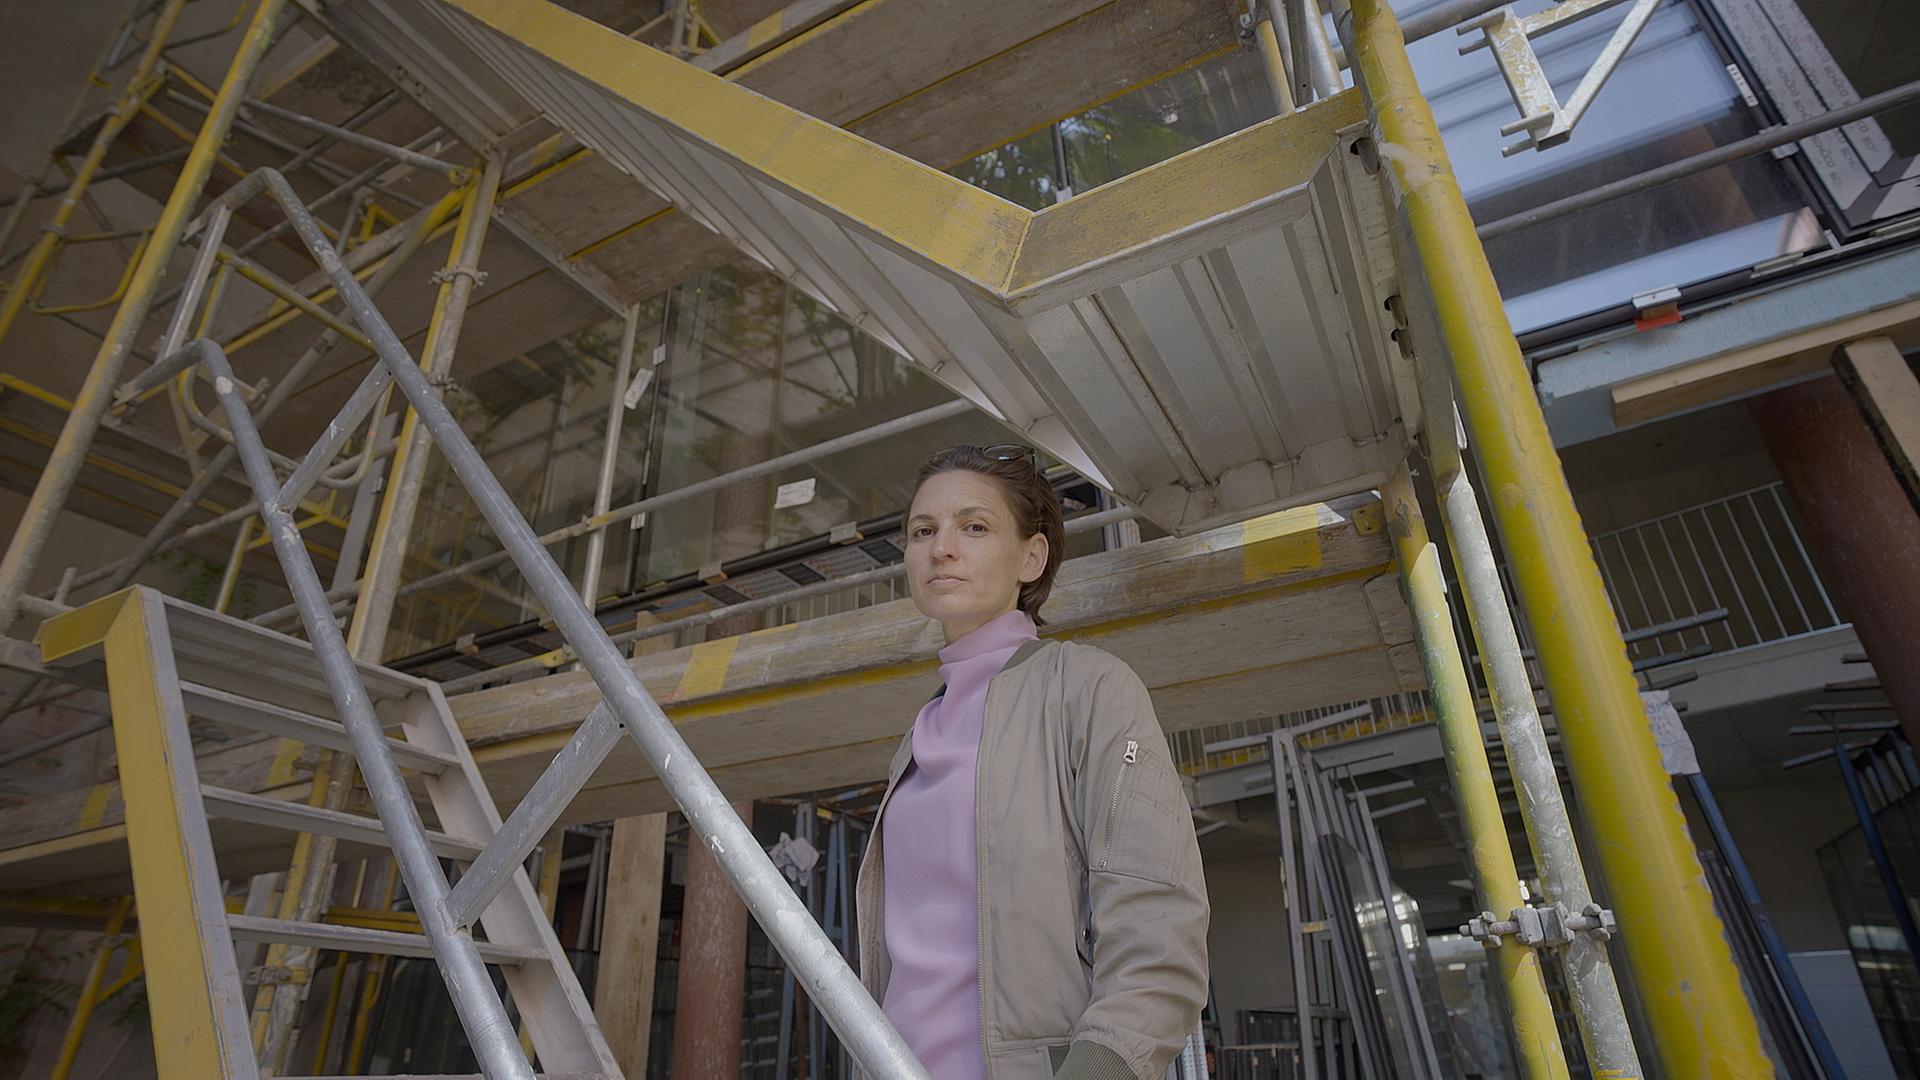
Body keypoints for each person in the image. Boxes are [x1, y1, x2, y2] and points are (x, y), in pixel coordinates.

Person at [854, 443, 1210, 1080]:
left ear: (1032, 557)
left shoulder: (1087, 688)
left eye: (975, 527)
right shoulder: (917, 736)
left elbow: (1159, 928)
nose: (941, 549)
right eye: (923, 531)